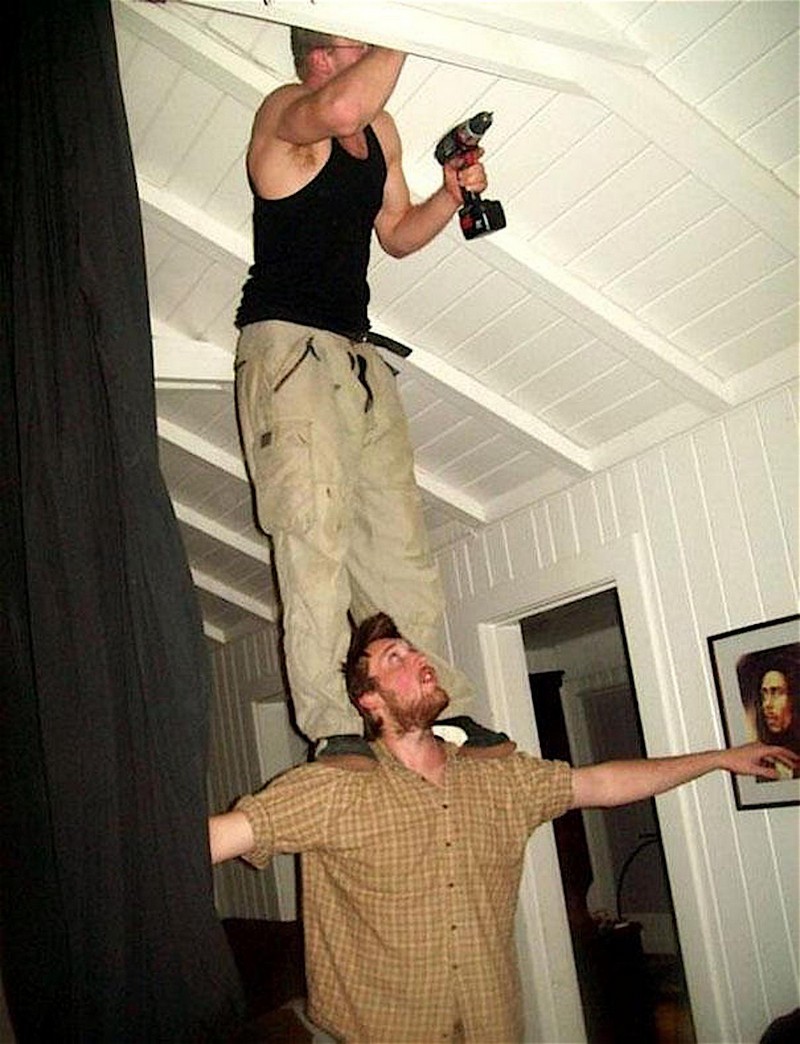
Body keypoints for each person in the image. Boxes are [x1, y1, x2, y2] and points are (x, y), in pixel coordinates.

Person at [209, 612, 799, 1043]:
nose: (418, 659)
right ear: (369, 701)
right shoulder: (333, 787)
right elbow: (217, 839)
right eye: (394, 658)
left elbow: (601, 783)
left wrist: (719, 758)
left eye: (415, 651)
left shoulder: (503, 779)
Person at [233, 27, 501, 758]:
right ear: (321, 57)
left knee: (399, 548)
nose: (379, 51)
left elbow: (399, 234)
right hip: (287, 352)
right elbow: (341, 108)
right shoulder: (284, 110)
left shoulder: (379, 130)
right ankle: (331, 726)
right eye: (365, 41)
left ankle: (436, 706)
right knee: (314, 541)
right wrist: (407, 23)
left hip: (357, 357)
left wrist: (450, 196)